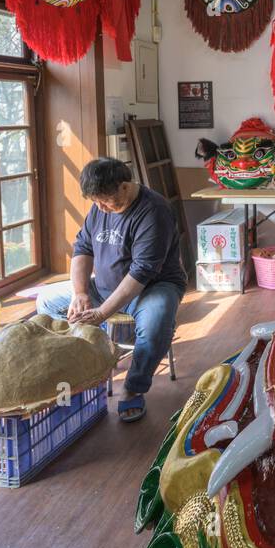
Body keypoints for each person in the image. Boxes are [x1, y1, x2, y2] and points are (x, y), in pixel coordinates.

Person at [36, 158, 187, 423]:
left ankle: (132, 389)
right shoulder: (99, 209)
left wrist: (102, 313)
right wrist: (81, 292)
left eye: (106, 201)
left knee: (156, 324)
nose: (101, 209)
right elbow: (83, 247)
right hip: (104, 286)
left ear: (126, 186)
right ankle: (82, 372)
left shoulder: (154, 211)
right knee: (47, 301)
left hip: (151, 289)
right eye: (96, 202)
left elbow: (141, 273)